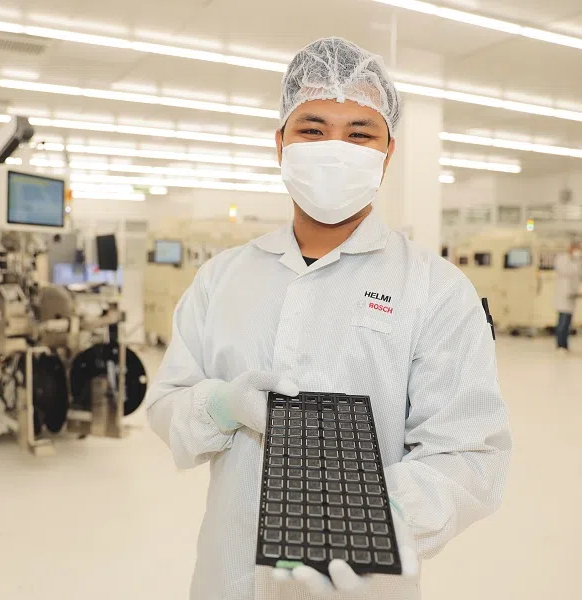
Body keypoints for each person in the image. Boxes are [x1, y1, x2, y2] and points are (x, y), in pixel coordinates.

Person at [145, 37, 512, 600]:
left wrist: (377, 518)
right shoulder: (221, 279)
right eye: (312, 129)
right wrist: (222, 404)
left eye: (360, 133)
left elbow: (469, 452)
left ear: (388, 151)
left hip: (359, 580)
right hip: (226, 577)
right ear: (280, 144)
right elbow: (167, 404)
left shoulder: (436, 291)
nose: (335, 148)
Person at [553, 242, 582, 351]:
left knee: (567, 324)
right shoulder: (562, 259)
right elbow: (566, 271)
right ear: (570, 249)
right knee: (562, 322)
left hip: (571, 296)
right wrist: (575, 263)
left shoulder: (576, 261)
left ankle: (565, 345)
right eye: (576, 249)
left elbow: (578, 274)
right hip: (563, 295)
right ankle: (560, 345)